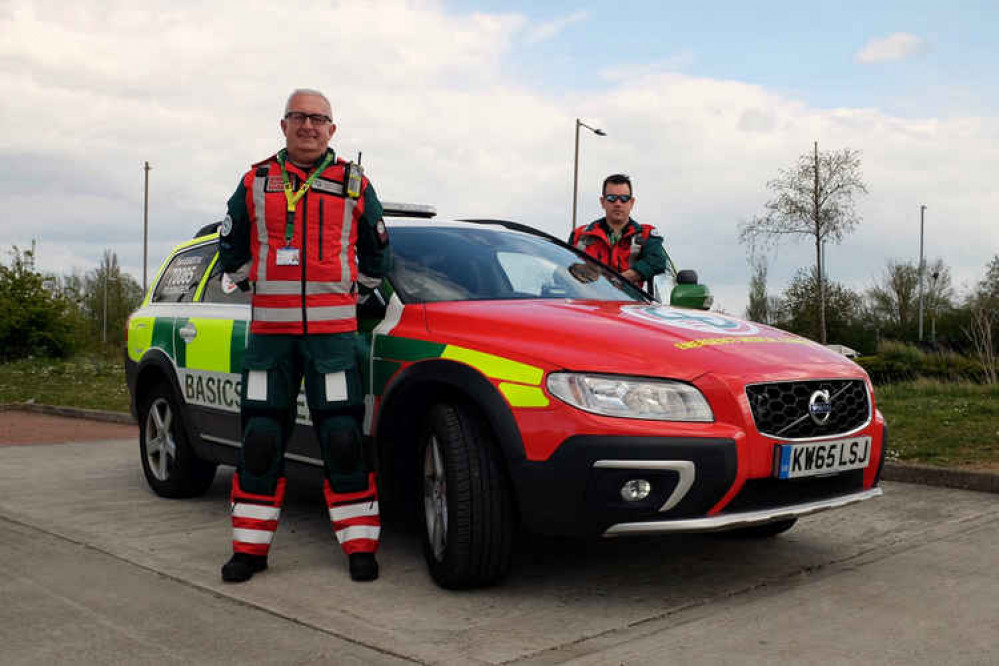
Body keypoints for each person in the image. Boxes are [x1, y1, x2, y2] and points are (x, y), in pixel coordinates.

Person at [217, 88, 391, 583]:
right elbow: (231, 242)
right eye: (300, 117)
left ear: (332, 129)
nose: (309, 126)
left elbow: (377, 250)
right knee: (260, 438)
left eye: (319, 119)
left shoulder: (354, 183)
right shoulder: (255, 180)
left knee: (341, 437)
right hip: (270, 338)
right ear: (284, 124)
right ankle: (249, 551)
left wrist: (352, 293)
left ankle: (360, 546)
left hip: (333, 339)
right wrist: (252, 277)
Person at [569, 174, 672, 289]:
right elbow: (563, 268)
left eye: (624, 199)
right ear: (602, 202)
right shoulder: (580, 235)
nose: (618, 204)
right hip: (587, 303)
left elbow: (657, 261)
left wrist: (618, 280)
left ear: (631, 202)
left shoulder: (646, 235)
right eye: (612, 198)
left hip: (628, 303)